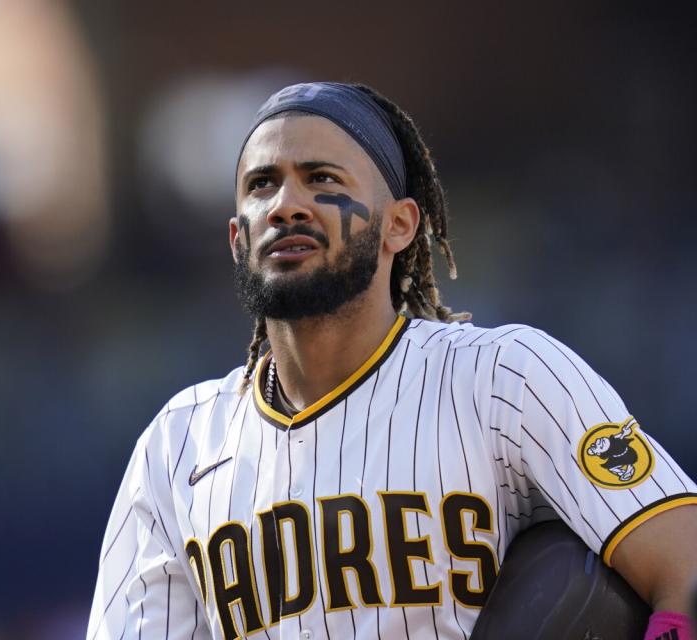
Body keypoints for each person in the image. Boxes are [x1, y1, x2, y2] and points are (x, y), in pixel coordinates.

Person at [87, 82, 697, 640]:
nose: (286, 205)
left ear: (401, 225)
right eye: (262, 184)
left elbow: (686, 564)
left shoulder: (503, 378)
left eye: (323, 179)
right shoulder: (176, 447)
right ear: (237, 237)